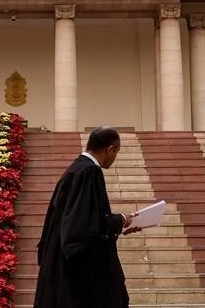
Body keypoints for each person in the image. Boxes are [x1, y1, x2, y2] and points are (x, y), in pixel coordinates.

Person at [34, 126, 141, 308]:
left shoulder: (75, 169)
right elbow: (84, 226)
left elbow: (83, 217)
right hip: (78, 274)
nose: (115, 158)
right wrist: (121, 220)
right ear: (111, 149)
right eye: (116, 152)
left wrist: (119, 224)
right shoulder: (90, 172)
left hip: (59, 262)